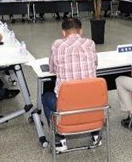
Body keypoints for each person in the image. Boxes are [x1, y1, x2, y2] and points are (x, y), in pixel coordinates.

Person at [41, 18, 98, 152]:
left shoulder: (57, 45)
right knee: (87, 95)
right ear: (81, 31)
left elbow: (52, 69)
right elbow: (95, 64)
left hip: (66, 105)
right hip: (92, 103)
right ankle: (96, 134)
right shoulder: (90, 43)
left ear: (63, 32)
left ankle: (60, 138)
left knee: (45, 97)